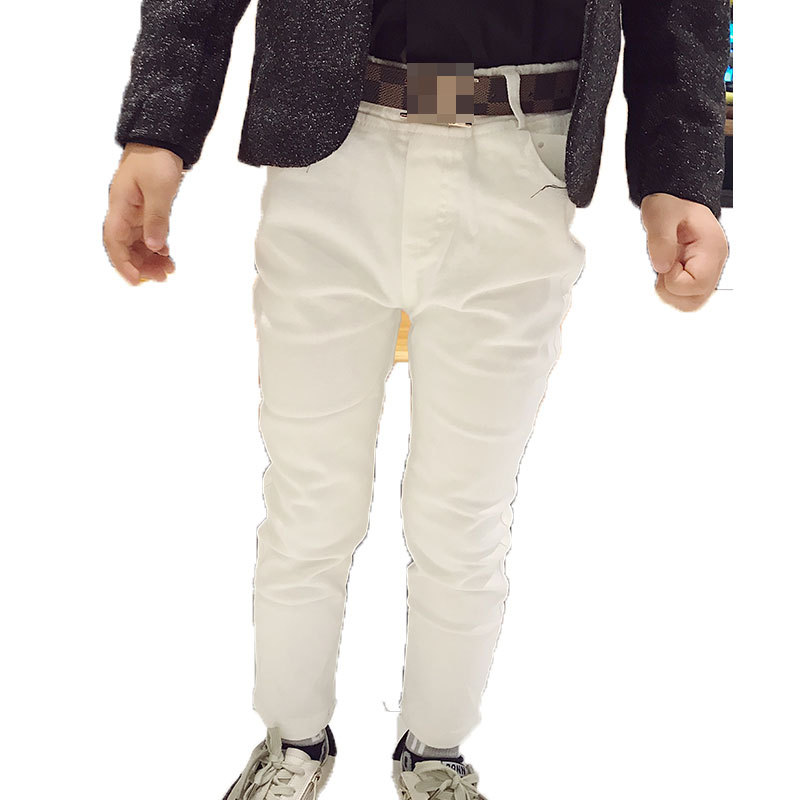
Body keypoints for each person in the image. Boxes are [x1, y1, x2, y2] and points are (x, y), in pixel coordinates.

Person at [102, 1, 731, 797]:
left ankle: (435, 753)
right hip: (330, 156)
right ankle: (292, 741)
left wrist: (685, 175)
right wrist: (159, 127)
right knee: (308, 498)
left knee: (467, 512)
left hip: (524, 160)